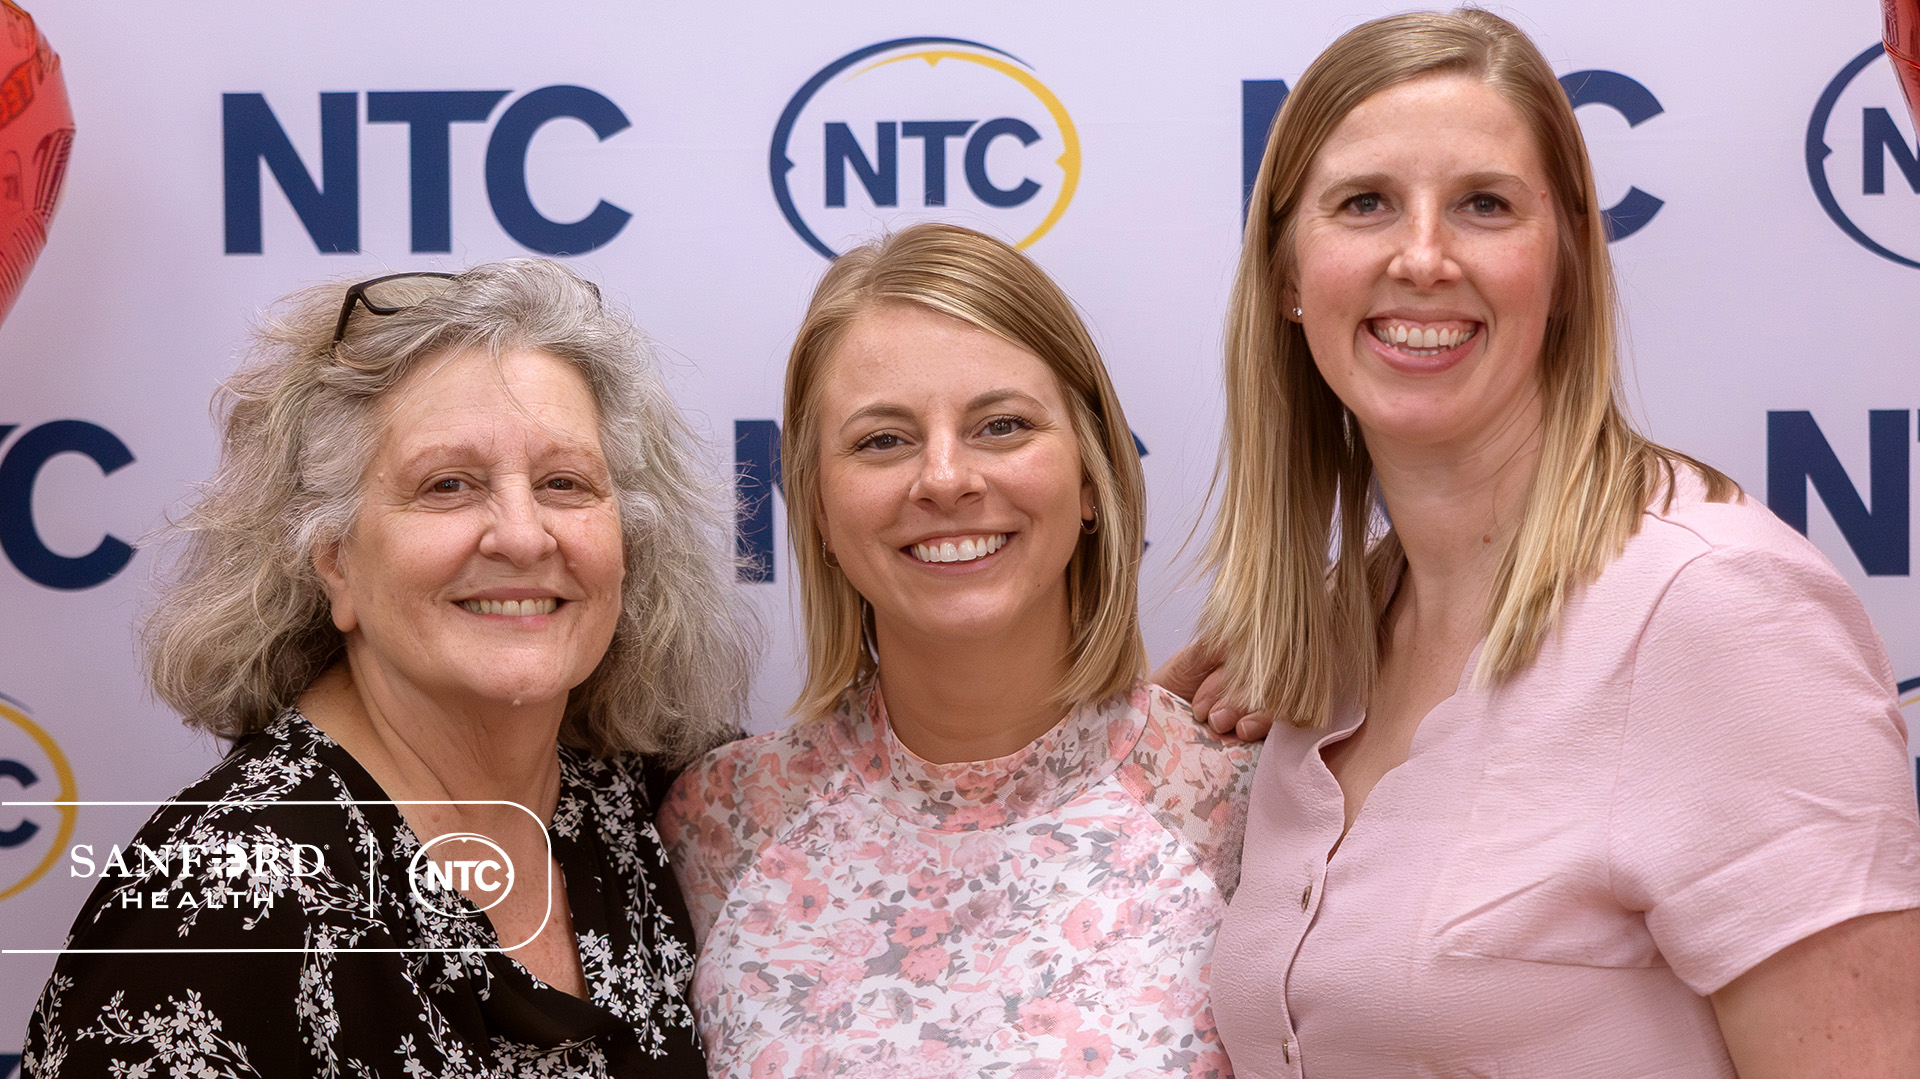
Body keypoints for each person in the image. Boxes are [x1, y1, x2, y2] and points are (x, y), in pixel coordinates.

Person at [1153, 10, 1920, 1078]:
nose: (1422, 257)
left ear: (1562, 263)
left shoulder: (1718, 607)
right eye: (1366, 202)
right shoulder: (1316, 656)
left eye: (1484, 204)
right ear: (1288, 272)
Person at [22, 260, 755, 1078]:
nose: (522, 534)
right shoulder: (219, 907)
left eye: (564, 483)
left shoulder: (657, 806)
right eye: (447, 485)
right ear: (332, 559)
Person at [659, 223, 1257, 1077]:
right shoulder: (720, 822)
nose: (944, 478)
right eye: (882, 440)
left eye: (1002, 425)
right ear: (819, 510)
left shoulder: (1247, 808)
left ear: (1092, 477)